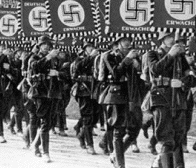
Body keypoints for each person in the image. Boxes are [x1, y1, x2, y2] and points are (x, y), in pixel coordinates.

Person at [147, 32, 196, 168]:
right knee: (166, 139)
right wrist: (170, 55)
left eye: (175, 38)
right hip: (161, 98)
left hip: (179, 100)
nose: (173, 40)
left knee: (178, 138)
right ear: (162, 39)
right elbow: (155, 70)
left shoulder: (180, 58)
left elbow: (191, 78)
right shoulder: (153, 54)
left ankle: (172, 164)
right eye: (169, 37)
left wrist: (182, 82)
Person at [101, 37, 141, 168]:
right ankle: (120, 164)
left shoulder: (135, 55)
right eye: (124, 40)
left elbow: (138, 76)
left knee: (135, 128)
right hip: (117, 95)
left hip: (132, 95)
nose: (127, 42)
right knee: (119, 130)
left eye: (129, 39)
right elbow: (115, 74)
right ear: (117, 42)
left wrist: (137, 65)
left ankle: (115, 154)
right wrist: (128, 59)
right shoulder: (109, 56)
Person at [28, 35, 67, 163]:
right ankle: (45, 152)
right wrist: (48, 57)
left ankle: (35, 143)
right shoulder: (34, 57)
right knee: (44, 122)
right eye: (43, 44)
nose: (46, 46)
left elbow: (64, 73)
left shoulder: (55, 59)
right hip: (40, 92)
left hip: (53, 92)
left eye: (48, 44)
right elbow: (34, 67)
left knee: (51, 122)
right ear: (39, 46)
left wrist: (57, 73)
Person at [72, 41, 100, 155]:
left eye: (93, 47)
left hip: (96, 90)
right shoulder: (80, 59)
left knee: (96, 116)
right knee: (87, 117)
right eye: (89, 47)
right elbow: (77, 67)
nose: (91, 48)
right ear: (85, 48)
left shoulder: (98, 58)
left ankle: (81, 133)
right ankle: (90, 145)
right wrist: (91, 57)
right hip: (84, 90)